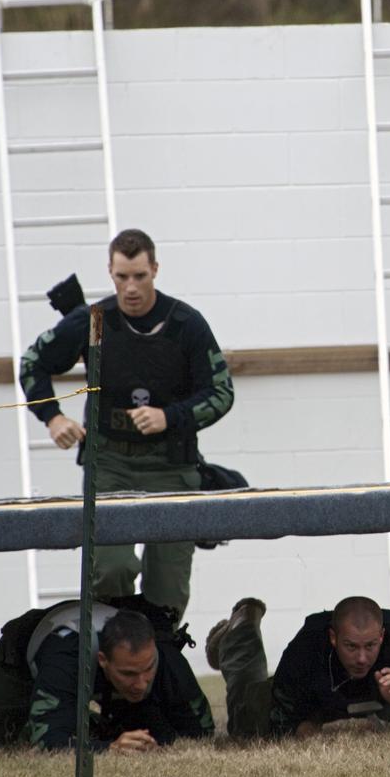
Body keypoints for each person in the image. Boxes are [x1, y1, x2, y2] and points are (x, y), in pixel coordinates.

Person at [20, 228, 234, 618]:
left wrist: (170, 417)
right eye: (122, 277)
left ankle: (160, 657)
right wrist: (52, 418)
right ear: (110, 272)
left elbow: (221, 393)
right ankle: (111, 655)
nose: (131, 287)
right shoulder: (94, 320)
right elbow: (32, 363)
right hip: (111, 465)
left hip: (172, 465)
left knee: (167, 588)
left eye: (140, 276)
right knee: (111, 571)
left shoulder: (186, 323)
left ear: (155, 269)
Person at [204, 596, 390, 740]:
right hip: (310, 702)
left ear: (381, 636)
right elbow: (280, 718)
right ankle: (240, 629)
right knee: (247, 718)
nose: (362, 658)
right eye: (351, 646)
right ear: (333, 638)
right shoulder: (307, 647)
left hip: (357, 704)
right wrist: (313, 730)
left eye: (370, 646)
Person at [26, 607, 214, 752]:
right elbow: (47, 741)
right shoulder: (65, 660)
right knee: (7, 729)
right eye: (129, 674)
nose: (141, 684)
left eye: (148, 669)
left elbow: (201, 733)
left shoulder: (167, 659)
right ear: (103, 660)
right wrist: (108, 749)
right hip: (28, 657)